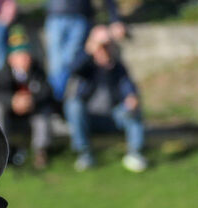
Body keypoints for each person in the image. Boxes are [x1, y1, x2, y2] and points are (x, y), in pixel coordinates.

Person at [63, 25, 146, 173]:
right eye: (100, 46)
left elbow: (128, 86)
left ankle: (135, 154)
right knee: (73, 105)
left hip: (113, 117)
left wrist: (131, 97)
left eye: (107, 45)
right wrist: (89, 50)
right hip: (90, 118)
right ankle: (85, 154)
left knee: (134, 107)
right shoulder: (85, 66)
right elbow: (73, 69)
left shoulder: (118, 68)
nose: (103, 50)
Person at [0, 28, 53, 169]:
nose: (25, 59)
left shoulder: (37, 71)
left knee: (43, 112)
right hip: (10, 113)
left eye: (26, 55)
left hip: (32, 111)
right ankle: (1, 149)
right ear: (11, 59)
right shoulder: (2, 73)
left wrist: (30, 100)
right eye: (20, 56)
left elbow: (46, 91)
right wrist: (12, 100)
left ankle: (40, 151)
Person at [43, 0, 123, 99]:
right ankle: (57, 101)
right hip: (57, 13)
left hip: (78, 14)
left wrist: (115, 19)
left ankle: (60, 101)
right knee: (57, 65)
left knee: (70, 63)